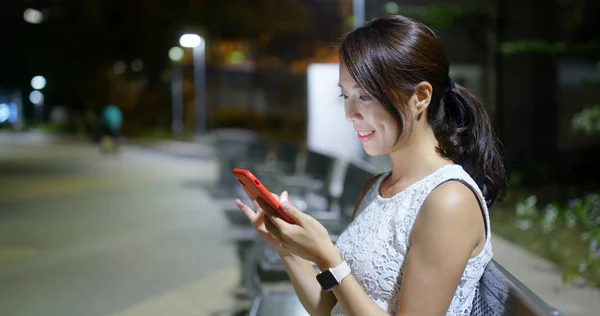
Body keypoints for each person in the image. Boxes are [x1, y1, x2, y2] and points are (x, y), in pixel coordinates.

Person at [235, 15, 507, 316]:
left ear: (420, 96)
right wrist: (287, 248)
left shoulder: (449, 201)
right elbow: (326, 308)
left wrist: (327, 256)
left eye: (365, 95)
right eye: (345, 95)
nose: (350, 113)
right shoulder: (376, 187)